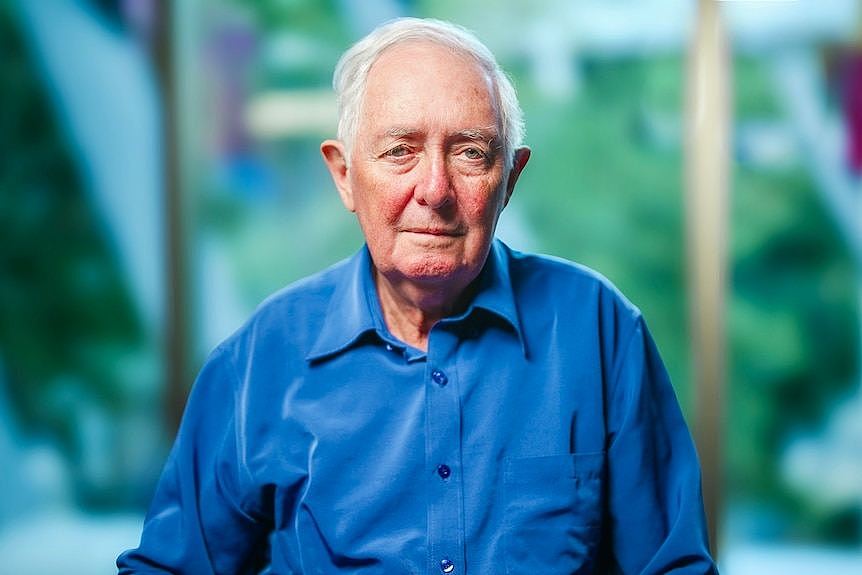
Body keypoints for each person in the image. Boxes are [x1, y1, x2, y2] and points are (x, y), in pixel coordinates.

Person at [118, 17, 718, 574]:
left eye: (470, 153)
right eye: (400, 151)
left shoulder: (598, 330)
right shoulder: (259, 360)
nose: (433, 189)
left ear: (509, 180)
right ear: (345, 174)